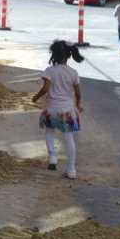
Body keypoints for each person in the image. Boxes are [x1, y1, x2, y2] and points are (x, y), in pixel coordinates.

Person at [32, 40, 84, 180]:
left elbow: (46, 88)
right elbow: (78, 93)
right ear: (69, 56)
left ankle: (53, 158)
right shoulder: (73, 73)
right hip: (67, 111)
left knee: (49, 133)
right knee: (69, 138)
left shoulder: (49, 71)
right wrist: (78, 104)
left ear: (53, 55)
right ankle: (71, 169)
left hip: (51, 110)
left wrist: (36, 97)